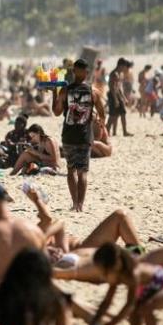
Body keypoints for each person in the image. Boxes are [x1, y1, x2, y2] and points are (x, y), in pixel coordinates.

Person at [86, 243, 163, 325]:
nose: (103, 277)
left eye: (104, 273)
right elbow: (107, 301)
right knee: (135, 312)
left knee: (145, 308)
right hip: (153, 288)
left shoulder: (133, 274)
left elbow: (129, 304)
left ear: (116, 266)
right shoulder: (116, 275)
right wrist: (94, 322)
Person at [53, 59, 106, 212]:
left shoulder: (65, 90)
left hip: (69, 135)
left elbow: (56, 112)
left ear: (74, 71)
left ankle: (75, 202)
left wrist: (53, 94)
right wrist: (101, 125)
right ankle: (80, 205)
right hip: (84, 136)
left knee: (71, 170)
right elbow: (102, 113)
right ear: (86, 72)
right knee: (82, 172)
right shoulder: (93, 91)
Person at [106, 58, 130, 137]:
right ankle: (106, 132)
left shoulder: (119, 74)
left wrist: (124, 98)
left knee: (123, 113)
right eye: (124, 66)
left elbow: (119, 88)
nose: (125, 68)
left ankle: (125, 132)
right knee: (112, 115)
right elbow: (112, 87)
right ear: (121, 65)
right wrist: (115, 99)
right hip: (113, 96)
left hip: (118, 96)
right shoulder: (114, 73)